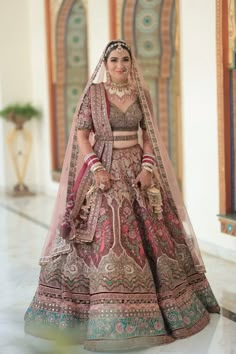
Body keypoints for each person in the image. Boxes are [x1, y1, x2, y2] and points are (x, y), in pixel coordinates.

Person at [24, 40, 220, 351]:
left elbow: (149, 136)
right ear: (105, 63)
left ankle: (162, 311)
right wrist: (98, 169)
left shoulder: (141, 94)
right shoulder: (94, 94)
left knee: (154, 234)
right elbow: (81, 136)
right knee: (103, 234)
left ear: (131, 62)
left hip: (138, 174)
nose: (120, 65)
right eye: (114, 60)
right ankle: (100, 314)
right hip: (103, 169)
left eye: (125, 59)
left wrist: (147, 168)